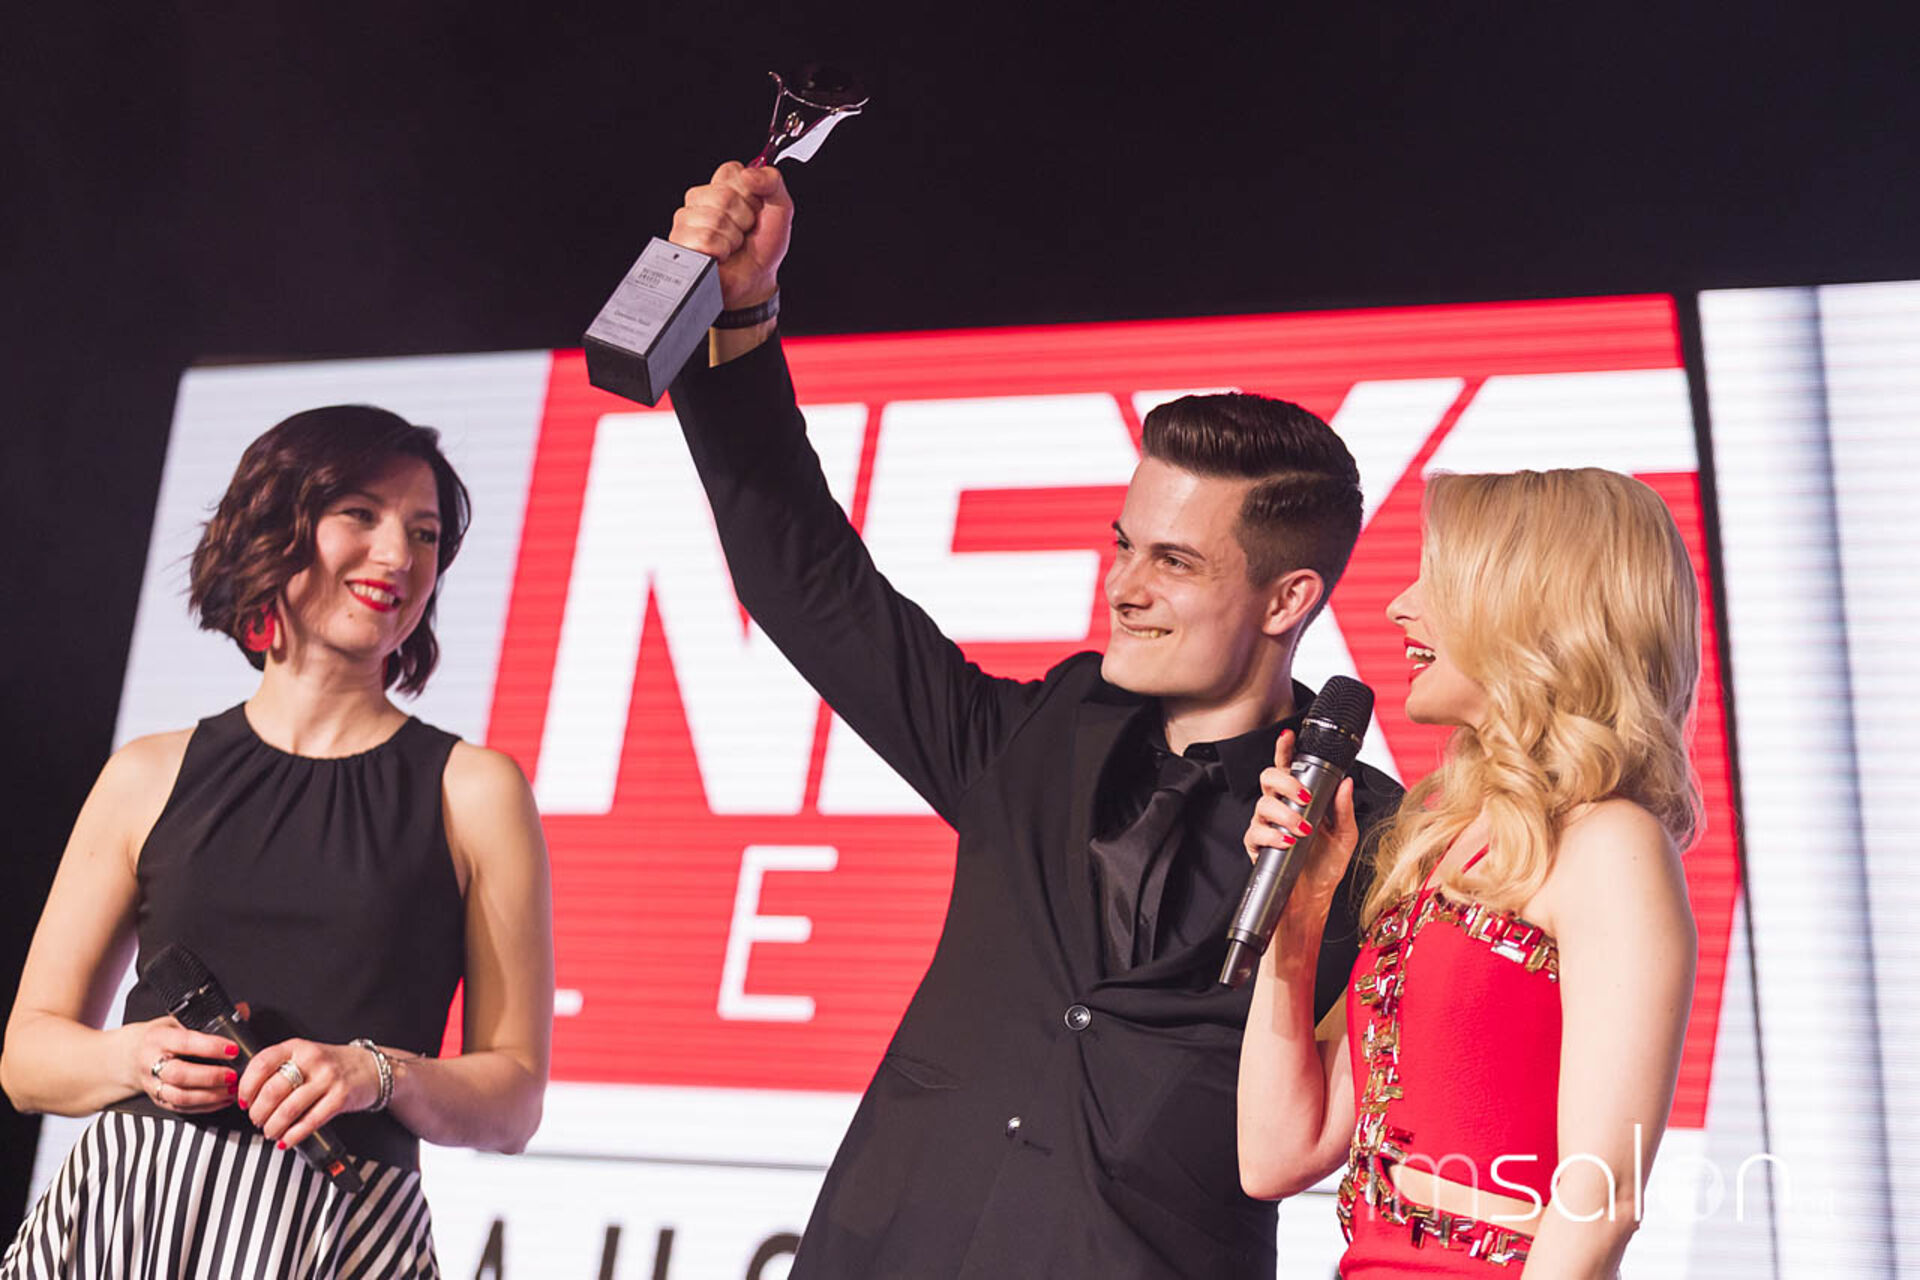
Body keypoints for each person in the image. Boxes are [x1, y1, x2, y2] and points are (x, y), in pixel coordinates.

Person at [661, 162, 1401, 1278]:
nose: (1124, 587)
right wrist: (742, 317)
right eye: (1124, 545)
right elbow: (808, 583)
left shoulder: (1372, 840)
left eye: (1174, 561)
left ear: (1287, 599)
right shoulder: (1039, 737)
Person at [1, 406, 554, 1279]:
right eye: (361, 515)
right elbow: (27, 1059)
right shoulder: (148, 773)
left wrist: (376, 1074)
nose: (397, 555)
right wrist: (133, 1056)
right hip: (127, 1217)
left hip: (337, 1232)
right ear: (274, 528)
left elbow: (514, 1103)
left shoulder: (475, 790)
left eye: (423, 534)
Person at [1236, 468, 1701, 1276]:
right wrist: (1297, 921)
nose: (1399, 606)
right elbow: (1277, 1153)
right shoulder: (1436, 844)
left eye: (1438, 580)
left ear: (1534, 606)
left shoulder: (1610, 845)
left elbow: (1600, 1201)